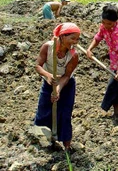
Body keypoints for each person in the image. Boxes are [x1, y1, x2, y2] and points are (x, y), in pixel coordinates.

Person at [34, 22, 81, 152]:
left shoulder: (74, 56)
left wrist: (58, 90)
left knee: (65, 113)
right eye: (72, 38)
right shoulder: (47, 47)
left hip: (66, 85)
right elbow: (37, 65)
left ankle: (67, 145)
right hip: (49, 82)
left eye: (77, 39)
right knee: (44, 110)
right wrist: (48, 75)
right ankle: (44, 140)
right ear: (62, 37)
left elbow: (66, 76)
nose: (75, 42)